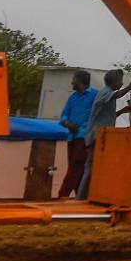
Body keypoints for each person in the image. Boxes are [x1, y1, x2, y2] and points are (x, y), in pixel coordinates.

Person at [76, 69, 131, 200]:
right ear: (114, 82)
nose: (121, 83)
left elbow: (108, 117)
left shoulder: (107, 95)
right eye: (120, 81)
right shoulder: (106, 92)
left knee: (96, 167)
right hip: (96, 137)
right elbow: (116, 95)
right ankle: (81, 197)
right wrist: (129, 88)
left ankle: (90, 195)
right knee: (90, 168)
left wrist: (122, 111)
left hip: (101, 137)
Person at [56, 70, 97, 198]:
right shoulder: (72, 98)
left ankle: (62, 196)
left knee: (75, 167)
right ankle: (81, 197)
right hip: (72, 138)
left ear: (80, 81)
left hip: (84, 137)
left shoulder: (95, 95)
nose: (71, 82)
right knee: (75, 169)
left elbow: (99, 115)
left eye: (73, 79)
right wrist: (67, 123)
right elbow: (63, 116)